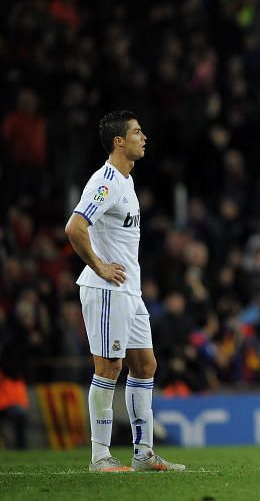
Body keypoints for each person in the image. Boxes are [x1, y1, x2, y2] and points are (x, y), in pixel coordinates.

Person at [64, 110, 185, 472]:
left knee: (145, 365)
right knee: (109, 366)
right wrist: (99, 266)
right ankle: (100, 456)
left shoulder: (127, 183)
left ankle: (143, 454)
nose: (143, 136)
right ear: (119, 141)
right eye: (136, 132)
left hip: (129, 291)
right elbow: (75, 227)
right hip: (106, 288)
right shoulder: (106, 182)